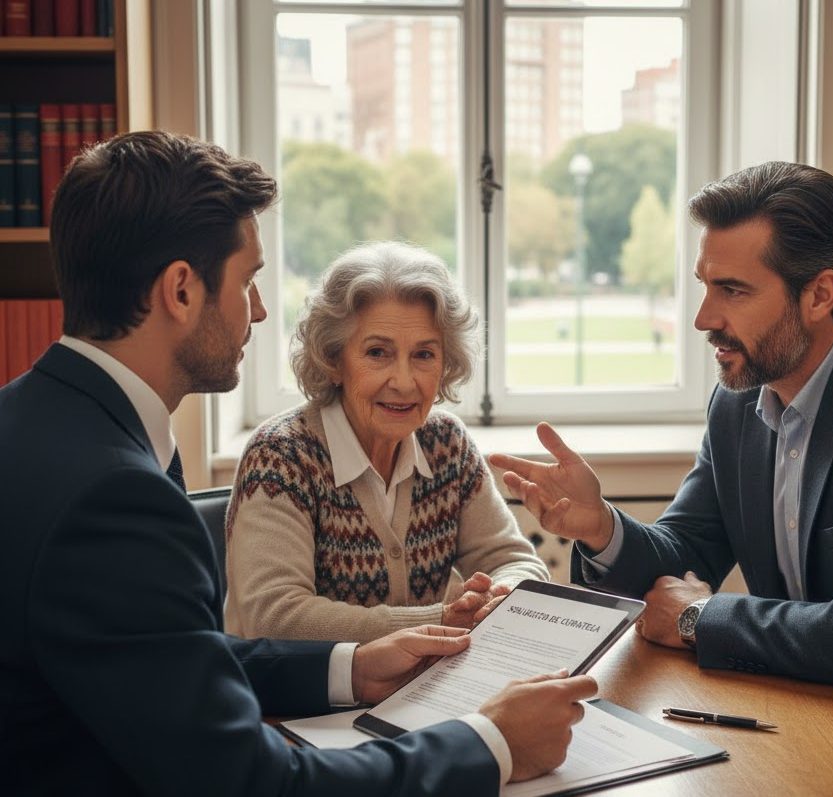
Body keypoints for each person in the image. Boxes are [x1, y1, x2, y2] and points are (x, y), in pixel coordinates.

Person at [0, 130, 596, 795]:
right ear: (179, 290)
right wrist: (491, 743)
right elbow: (255, 783)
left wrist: (353, 667)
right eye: (249, 280)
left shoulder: (39, 425)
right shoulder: (112, 497)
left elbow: (160, 659)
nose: (257, 310)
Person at [490, 161, 833, 693]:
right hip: (817, 701)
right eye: (704, 285)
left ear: (819, 295)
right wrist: (601, 529)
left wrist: (699, 617)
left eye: (733, 290)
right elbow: (686, 550)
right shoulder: (737, 402)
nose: (703, 318)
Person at [224, 242, 547, 644]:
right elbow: (274, 618)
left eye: (424, 355)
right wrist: (440, 619)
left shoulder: (446, 444)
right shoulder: (281, 456)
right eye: (378, 352)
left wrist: (499, 599)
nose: (404, 381)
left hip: (423, 693)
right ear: (333, 360)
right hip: (299, 704)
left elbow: (517, 561)